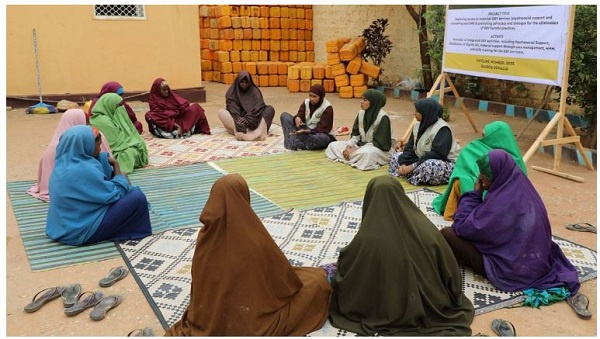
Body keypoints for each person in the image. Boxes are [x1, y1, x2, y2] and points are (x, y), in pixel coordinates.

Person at [165, 174, 331, 336]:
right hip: (252, 326)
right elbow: (284, 284)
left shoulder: (205, 240)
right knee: (317, 282)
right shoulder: (255, 240)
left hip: (208, 320)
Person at [329, 175, 474, 336]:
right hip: (438, 302)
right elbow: (449, 266)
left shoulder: (367, 241)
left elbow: (351, 269)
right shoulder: (427, 229)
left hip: (389, 307)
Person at [440, 149, 580, 295]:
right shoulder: (523, 189)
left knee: (448, 234)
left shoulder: (499, 205)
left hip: (509, 271)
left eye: (485, 175)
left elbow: (461, 227)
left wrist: (475, 195)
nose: (480, 178)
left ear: (496, 176)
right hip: (535, 263)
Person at [46, 125, 152, 245]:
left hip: (62, 226)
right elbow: (116, 195)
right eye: (98, 145)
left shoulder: (63, 163)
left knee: (104, 161)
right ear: (86, 146)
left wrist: (106, 162)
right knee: (137, 197)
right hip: (78, 231)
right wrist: (117, 166)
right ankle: (132, 229)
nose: (100, 149)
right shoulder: (84, 169)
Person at [433, 121, 527, 220]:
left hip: (501, 196)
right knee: (460, 181)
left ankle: (470, 213)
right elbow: (466, 169)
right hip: (484, 187)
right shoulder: (474, 148)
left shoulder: (514, 159)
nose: (482, 139)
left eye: (485, 136)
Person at [27, 109, 112, 202]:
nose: (87, 124)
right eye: (85, 121)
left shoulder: (58, 142)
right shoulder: (84, 141)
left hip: (52, 186)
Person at [389, 98, 460, 185]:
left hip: (443, 162)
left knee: (429, 167)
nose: (414, 113)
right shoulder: (417, 125)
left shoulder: (442, 129)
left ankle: (413, 173)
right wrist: (403, 164)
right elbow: (410, 147)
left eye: (417, 111)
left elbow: (437, 155)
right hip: (420, 159)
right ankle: (409, 173)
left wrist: (412, 166)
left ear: (426, 112)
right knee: (396, 157)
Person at [325, 89, 393, 170]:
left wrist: (356, 149)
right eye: (361, 99)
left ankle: (353, 157)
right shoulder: (361, 113)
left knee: (367, 154)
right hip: (361, 146)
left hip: (378, 150)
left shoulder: (383, 118)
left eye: (365, 100)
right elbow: (355, 134)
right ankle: (354, 158)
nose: (361, 102)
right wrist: (349, 146)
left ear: (373, 102)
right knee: (333, 145)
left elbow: (380, 144)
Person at [90, 93, 149, 174]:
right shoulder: (103, 121)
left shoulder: (110, 115)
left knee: (139, 143)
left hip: (119, 147)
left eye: (121, 105)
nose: (121, 108)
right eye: (118, 106)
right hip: (111, 151)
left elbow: (126, 131)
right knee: (130, 153)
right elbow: (117, 144)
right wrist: (133, 143)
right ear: (109, 105)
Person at [217, 71, 275, 141]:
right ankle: (243, 132)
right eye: (242, 82)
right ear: (238, 82)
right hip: (239, 122)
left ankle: (255, 133)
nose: (244, 84)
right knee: (221, 112)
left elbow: (259, 108)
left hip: (254, 120)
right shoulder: (232, 93)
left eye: (246, 82)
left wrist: (247, 119)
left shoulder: (255, 91)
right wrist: (240, 119)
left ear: (249, 82)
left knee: (270, 109)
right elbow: (233, 110)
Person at [145, 78, 211, 139]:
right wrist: (176, 125)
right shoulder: (153, 101)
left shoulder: (170, 95)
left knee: (196, 107)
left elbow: (182, 105)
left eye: (167, 89)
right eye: (164, 90)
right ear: (158, 90)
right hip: (168, 122)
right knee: (149, 115)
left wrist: (180, 110)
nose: (167, 91)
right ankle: (179, 130)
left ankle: (196, 129)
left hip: (178, 117)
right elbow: (159, 115)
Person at [280, 84, 336, 150]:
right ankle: (297, 142)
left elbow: (323, 129)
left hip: (315, 133)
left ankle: (293, 143)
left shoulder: (327, 108)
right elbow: (300, 114)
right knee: (284, 116)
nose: (311, 99)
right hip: (303, 129)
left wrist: (306, 131)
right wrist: (297, 118)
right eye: (310, 96)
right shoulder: (306, 102)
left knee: (324, 139)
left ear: (321, 97)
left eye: (314, 97)